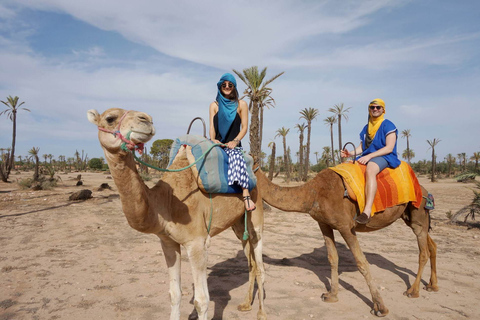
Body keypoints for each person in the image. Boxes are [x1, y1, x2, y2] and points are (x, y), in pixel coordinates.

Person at [341, 98, 400, 224]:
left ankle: (367, 211)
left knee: (371, 169)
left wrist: (369, 156)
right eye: (372, 107)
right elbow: (363, 147)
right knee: (346, 167)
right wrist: (350, 153)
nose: (375, 109)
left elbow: (389, 147)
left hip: (385, 156)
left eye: (378, 107)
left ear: (383, 109)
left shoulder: (388, 125)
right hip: (369, 155)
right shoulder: (367, 127)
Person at [209, 73, 256, 212]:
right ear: (220, 87)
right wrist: (212, 140)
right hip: (217, 143)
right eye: (224, 85)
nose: (227, 87)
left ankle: (246, 194)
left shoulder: (241, 104)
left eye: (230, 85)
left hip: (233, 145)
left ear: (234, 87)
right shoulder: (214, 105)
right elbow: (212, 126)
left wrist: (235, 141)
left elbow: (245, 127)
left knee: (235, 156)